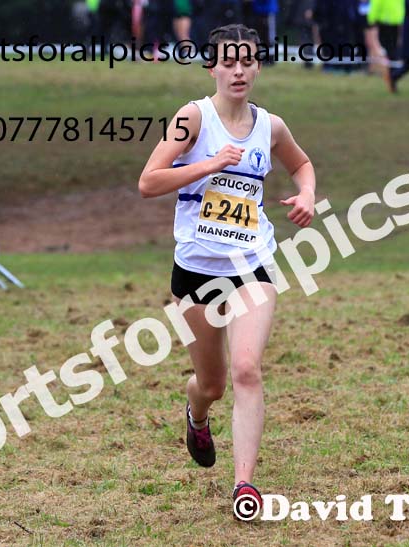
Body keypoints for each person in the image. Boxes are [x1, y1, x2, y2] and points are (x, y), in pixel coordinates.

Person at [137, 23, 316, 513]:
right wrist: (208, 164)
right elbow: (149, 182)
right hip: (196, 270)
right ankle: (197, 414)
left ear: (258, 67)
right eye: (228, 62)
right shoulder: (192, 118)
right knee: (212, 384)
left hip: (252, 263)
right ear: (212, 67)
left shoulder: (270, 126)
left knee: (246, 369)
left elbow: (301, 165)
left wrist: (307, 194)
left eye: (247, 61)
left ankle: (244, 486)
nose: (238, 71)